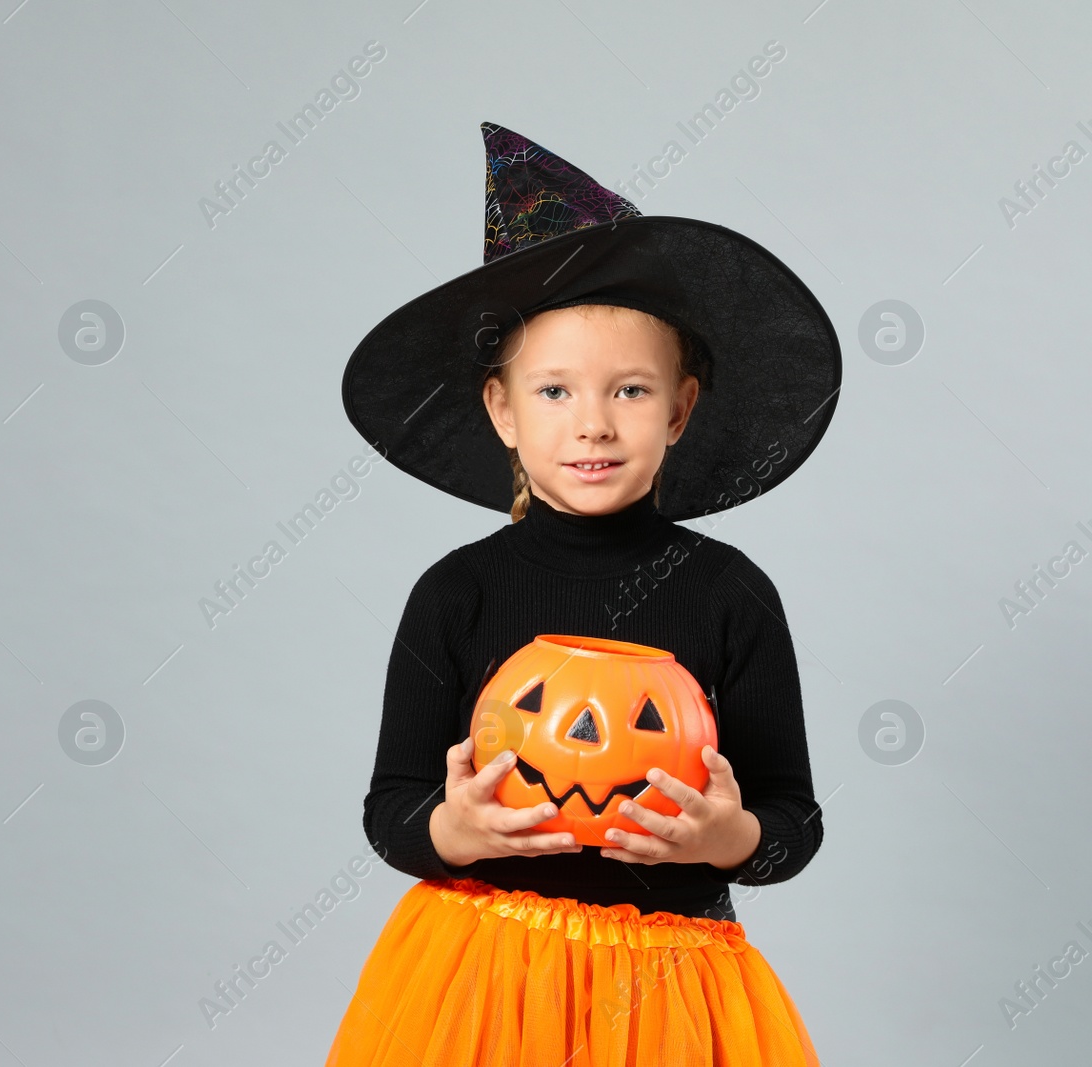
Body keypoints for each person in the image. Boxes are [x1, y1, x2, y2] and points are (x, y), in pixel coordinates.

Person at [325, 123, 841, 1066]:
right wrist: (454, 826)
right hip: (481, 982)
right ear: (502, 411)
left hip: (670, 999)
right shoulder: (458, 593)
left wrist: (730, 838)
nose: (594, 424)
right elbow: (389, 809)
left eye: (632, 391)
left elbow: (792, 825)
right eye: (555, 391)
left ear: (681, 409)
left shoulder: (732, 595)